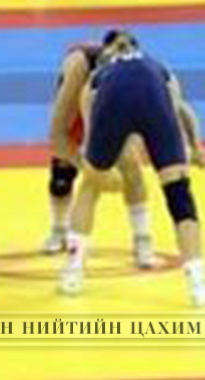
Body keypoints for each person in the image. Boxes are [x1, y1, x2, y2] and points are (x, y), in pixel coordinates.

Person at [58, 31, 205, 307]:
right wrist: (196, 147)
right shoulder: (157, 66)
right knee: (179, 195)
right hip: (154, 100)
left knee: (89, 186)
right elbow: (181, 110)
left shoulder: (98, 75)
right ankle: (199, 285)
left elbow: (90, 119)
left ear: (107, 51)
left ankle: (72, 272)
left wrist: (97, 164)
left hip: (110, 101)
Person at [46, 37, 154, 268]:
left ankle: (143, 239)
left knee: (132, 166)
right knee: (62, 174)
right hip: (75, 101)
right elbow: (57, 136)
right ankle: (59, 229)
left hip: (112, 105)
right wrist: (90, 169)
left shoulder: (137, 73)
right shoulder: (79, 67)